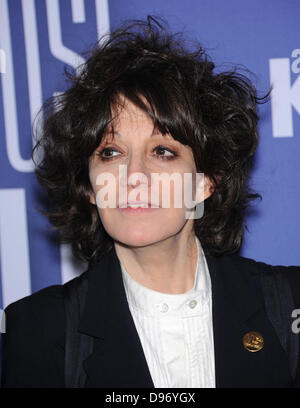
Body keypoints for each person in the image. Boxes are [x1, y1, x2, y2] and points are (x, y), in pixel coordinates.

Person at [1, 15, 300, 388]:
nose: (134, 175)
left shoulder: (289, 303)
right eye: (110, 153)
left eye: (162, 151)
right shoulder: (38, 329)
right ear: (90, 187)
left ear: (205, 181)